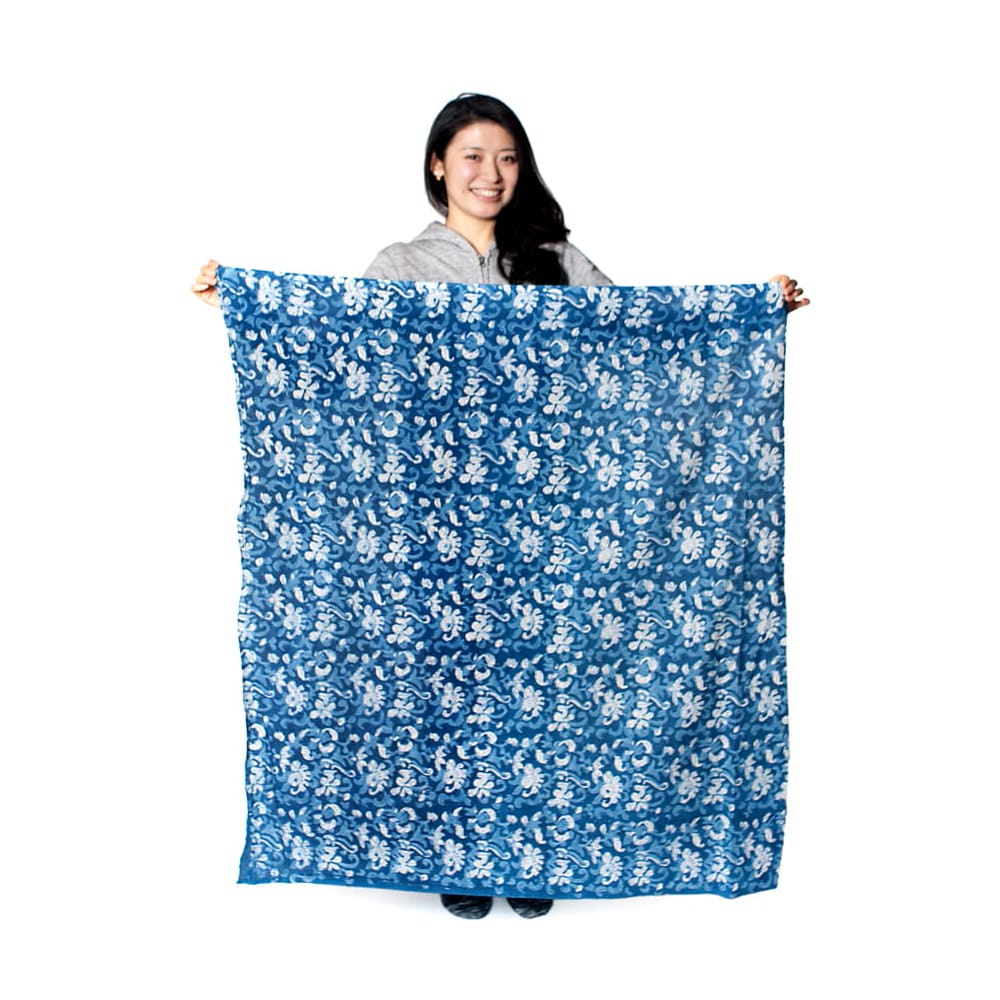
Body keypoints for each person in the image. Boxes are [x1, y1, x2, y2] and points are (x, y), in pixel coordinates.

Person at [192, 93, 809, 920]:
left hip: (551, 519)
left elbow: (639, 344)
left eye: (508, 157)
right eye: (474, 156)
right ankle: (459, 856)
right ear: (438, 165)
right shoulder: (401, 267)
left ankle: (535, 855)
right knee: (447, 690)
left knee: (546, 688)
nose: (492, 174)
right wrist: (247, 307)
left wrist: (749, 311)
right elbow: (343, 364)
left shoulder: (554, 259)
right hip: (434, 520)